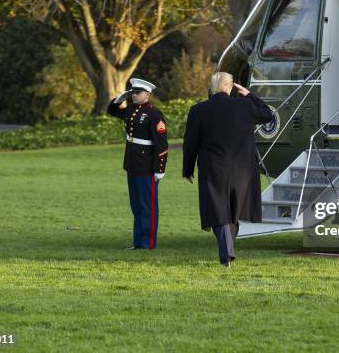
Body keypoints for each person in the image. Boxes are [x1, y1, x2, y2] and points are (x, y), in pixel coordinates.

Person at [182, 72, 273, 267]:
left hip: (213, 168)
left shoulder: (198, 110)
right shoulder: (245, 106)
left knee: (218, 210)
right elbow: (267, 114)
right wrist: (249, 95)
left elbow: (190, 142)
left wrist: (187, 168)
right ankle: (228, 251)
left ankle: (227, 252)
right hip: (242, 169)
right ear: (231, 87)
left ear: (212, 87)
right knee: (232, 211)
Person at [107, 78, 168, 250]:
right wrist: (119, 98)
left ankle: (148, 243)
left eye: (137, 92)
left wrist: (159, 169)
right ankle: (138, 242)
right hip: (132, 163)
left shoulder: (154, 114)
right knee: (136, 206)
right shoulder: (131, 110)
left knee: (147, 206)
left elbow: (161, 144)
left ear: (147, 94)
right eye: (132, 92)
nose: (134, 95)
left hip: (147, 165)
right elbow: (111, 111)